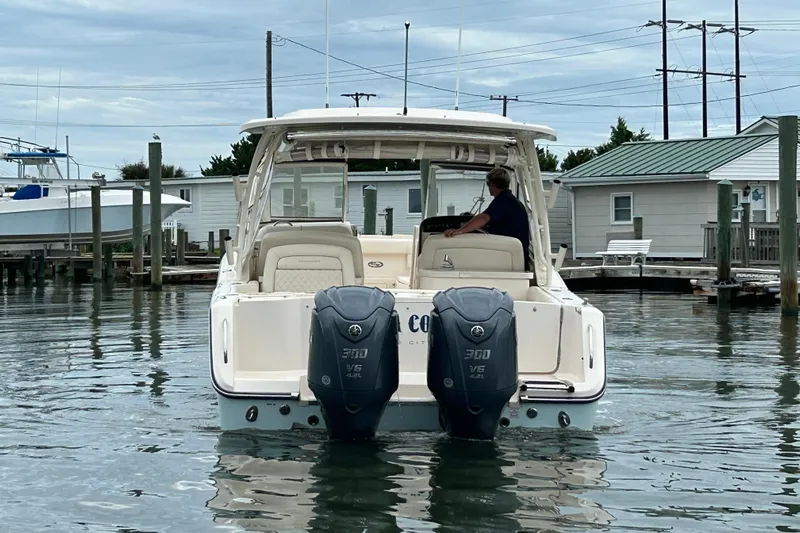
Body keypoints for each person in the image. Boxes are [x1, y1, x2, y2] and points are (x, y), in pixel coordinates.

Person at [443, 167, 530, 266]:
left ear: (492, 184)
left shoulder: (504, 200)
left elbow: (484, 218)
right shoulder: (511, 200)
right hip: (515, 252)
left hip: (511, 255)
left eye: (488, 184)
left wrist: (460, 230)